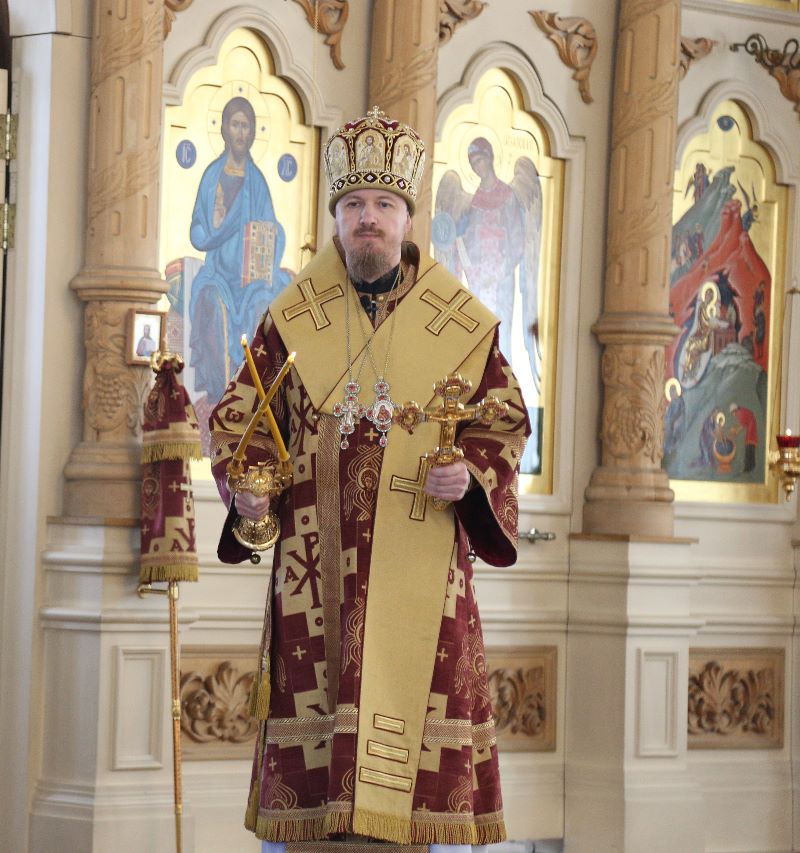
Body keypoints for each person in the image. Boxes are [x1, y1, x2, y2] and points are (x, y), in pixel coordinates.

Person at [209, 108, 529, 852]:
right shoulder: (291, 320)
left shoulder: (460, 325)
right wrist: (246, 488)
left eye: (384, 204)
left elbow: (505, 421)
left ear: (408, 217)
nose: (368, 219)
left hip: (423, 578)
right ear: (336, 217)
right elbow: (241, 422)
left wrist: (470, 475)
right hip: (314, 579)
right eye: (353, 204)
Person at [188, 96, 292, 416]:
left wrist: (269, 237)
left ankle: (254, 397)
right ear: (223, 129)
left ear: (253, 132)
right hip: (218, 274)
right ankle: (221, 395)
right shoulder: (212, 176)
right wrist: (216, 229)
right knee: (211, 303)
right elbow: (197, 230)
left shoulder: (257, 181)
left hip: (251, 281)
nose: (240, 132)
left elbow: (271, 228)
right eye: (235, 125)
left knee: (264, 305)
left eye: (246, 126)